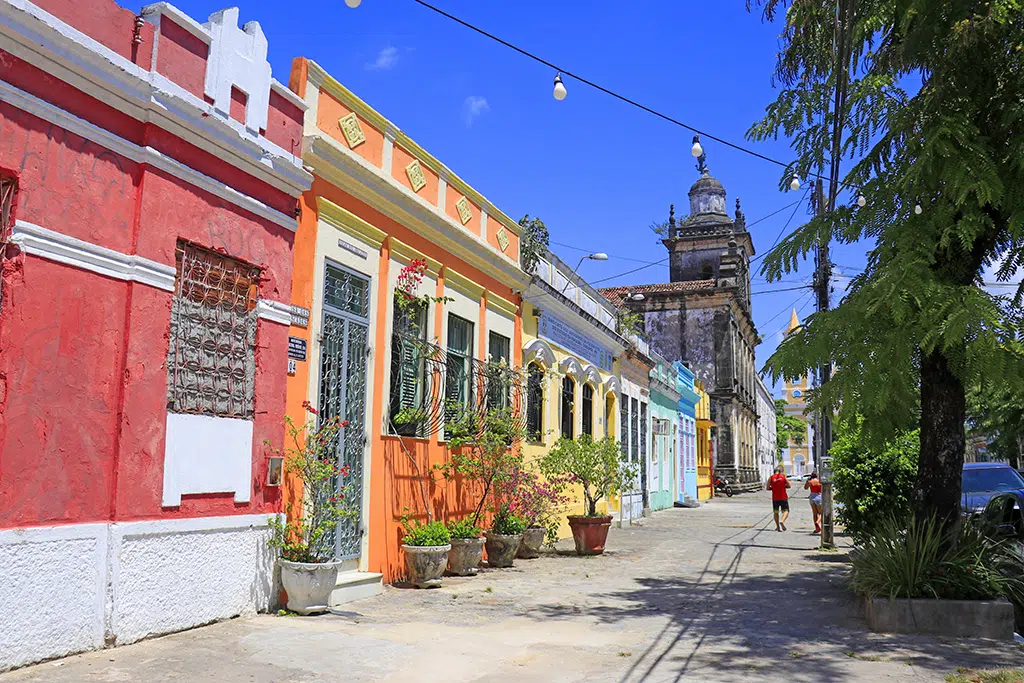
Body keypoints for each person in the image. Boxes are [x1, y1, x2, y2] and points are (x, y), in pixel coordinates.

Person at [766, 466, 791, 532]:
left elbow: (768, 487)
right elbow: (789, 486)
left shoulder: (771, 478)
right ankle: (782, 521)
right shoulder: (783, 477)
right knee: (786, 510)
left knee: (776, 512)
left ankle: (778, 527)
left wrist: (773, 488)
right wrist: (783, 487)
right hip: (783, 497)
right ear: (780, 471)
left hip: (775, 498)